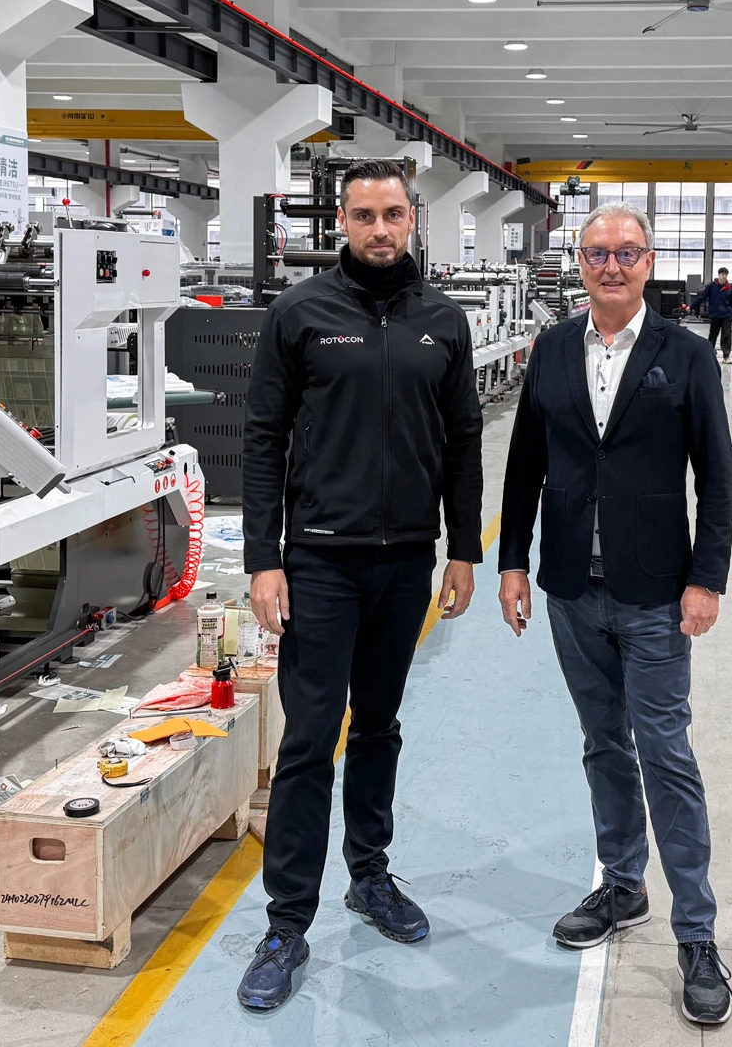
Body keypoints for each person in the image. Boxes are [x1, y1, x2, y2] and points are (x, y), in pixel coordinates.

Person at [237, 158, 484, 1011]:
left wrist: (464, 549)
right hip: (319, 560)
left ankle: (369, 877)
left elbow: (463, 441)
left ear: (413, 219)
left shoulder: (442, 320)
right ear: (340, 221)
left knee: (377, 726)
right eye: (364, 215)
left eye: (393, 215)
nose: (380, 229)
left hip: (406, 559)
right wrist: (262, 558)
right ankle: (286, 923)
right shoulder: (300, 313)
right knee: (310, 740)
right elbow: (262, 436)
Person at [497, 203, 732, 1027]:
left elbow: (719, 474)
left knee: (666, 753)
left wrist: (707, 579)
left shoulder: (686, 353)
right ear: (580, 262)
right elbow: (526, 459)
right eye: (597, 252)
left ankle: (697, 935)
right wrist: (512, 561)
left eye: (626, 253)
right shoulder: (555, 347)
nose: (611, 265)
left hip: (656, 592)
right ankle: (624, 884)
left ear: (648, 261)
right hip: (571, 586)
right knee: (603, 741)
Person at [690, 267, 732, 360]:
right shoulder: (711, 286)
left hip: (727, 315)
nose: (724, 276)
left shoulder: (729, 288)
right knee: (713, 335)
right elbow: (702, 297)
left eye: (726, 274)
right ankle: (710, 353)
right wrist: (692, 306)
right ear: (719, 275)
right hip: (715, 314)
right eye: (722, 274)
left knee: (726, 336)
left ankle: (726, 356)